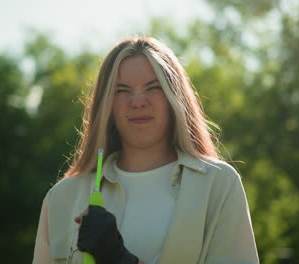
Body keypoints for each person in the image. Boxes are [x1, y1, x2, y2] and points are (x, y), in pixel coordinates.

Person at [32, 36, 259, 264]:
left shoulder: (218, 184)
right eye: (122, 90)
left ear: (174, 98)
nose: (138, 101)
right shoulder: (61, 198)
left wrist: (118, 258)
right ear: (107, 104)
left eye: (153, 87)